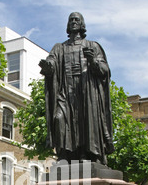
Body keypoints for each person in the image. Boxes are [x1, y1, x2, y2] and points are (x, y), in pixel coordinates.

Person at [39, 12, 114, 165]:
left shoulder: (92, 46)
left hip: (86, 92)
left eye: (76, 20)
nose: (73, 22)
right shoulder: (59, 47)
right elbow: (52, 62)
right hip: (65, 91)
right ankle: (64, 155)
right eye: (71, 20)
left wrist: (93, 60)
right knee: (59, 118)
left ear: (82, 24)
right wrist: (48, 66)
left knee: (85, 122)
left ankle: (85, 154)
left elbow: (104, 70)